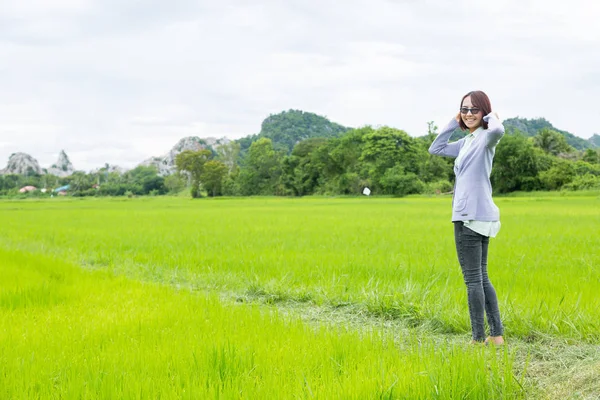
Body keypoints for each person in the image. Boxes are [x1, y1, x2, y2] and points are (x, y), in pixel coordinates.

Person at [428, 90, 505, 345]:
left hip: (469, 216)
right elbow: (436, 148)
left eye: (474, 109)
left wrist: (492, 116)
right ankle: (496, 336)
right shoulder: (467, 142)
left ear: (484, 111)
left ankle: (477, 339)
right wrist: (455, 120)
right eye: (465, 109)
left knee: (473, 279)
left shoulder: (484, 138)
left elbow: (497, 131)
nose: (469, 113)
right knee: (482, 277)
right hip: (479, 214)